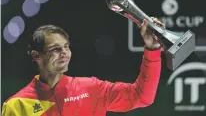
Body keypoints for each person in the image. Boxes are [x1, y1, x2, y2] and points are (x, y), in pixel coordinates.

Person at [2, 18, 164, 116]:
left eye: (66, 47)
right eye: (55, 49)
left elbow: (141, 96)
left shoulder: (92, 88)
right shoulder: (17, 105)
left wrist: (152, 49)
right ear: (37, 56)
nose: (64, 53)